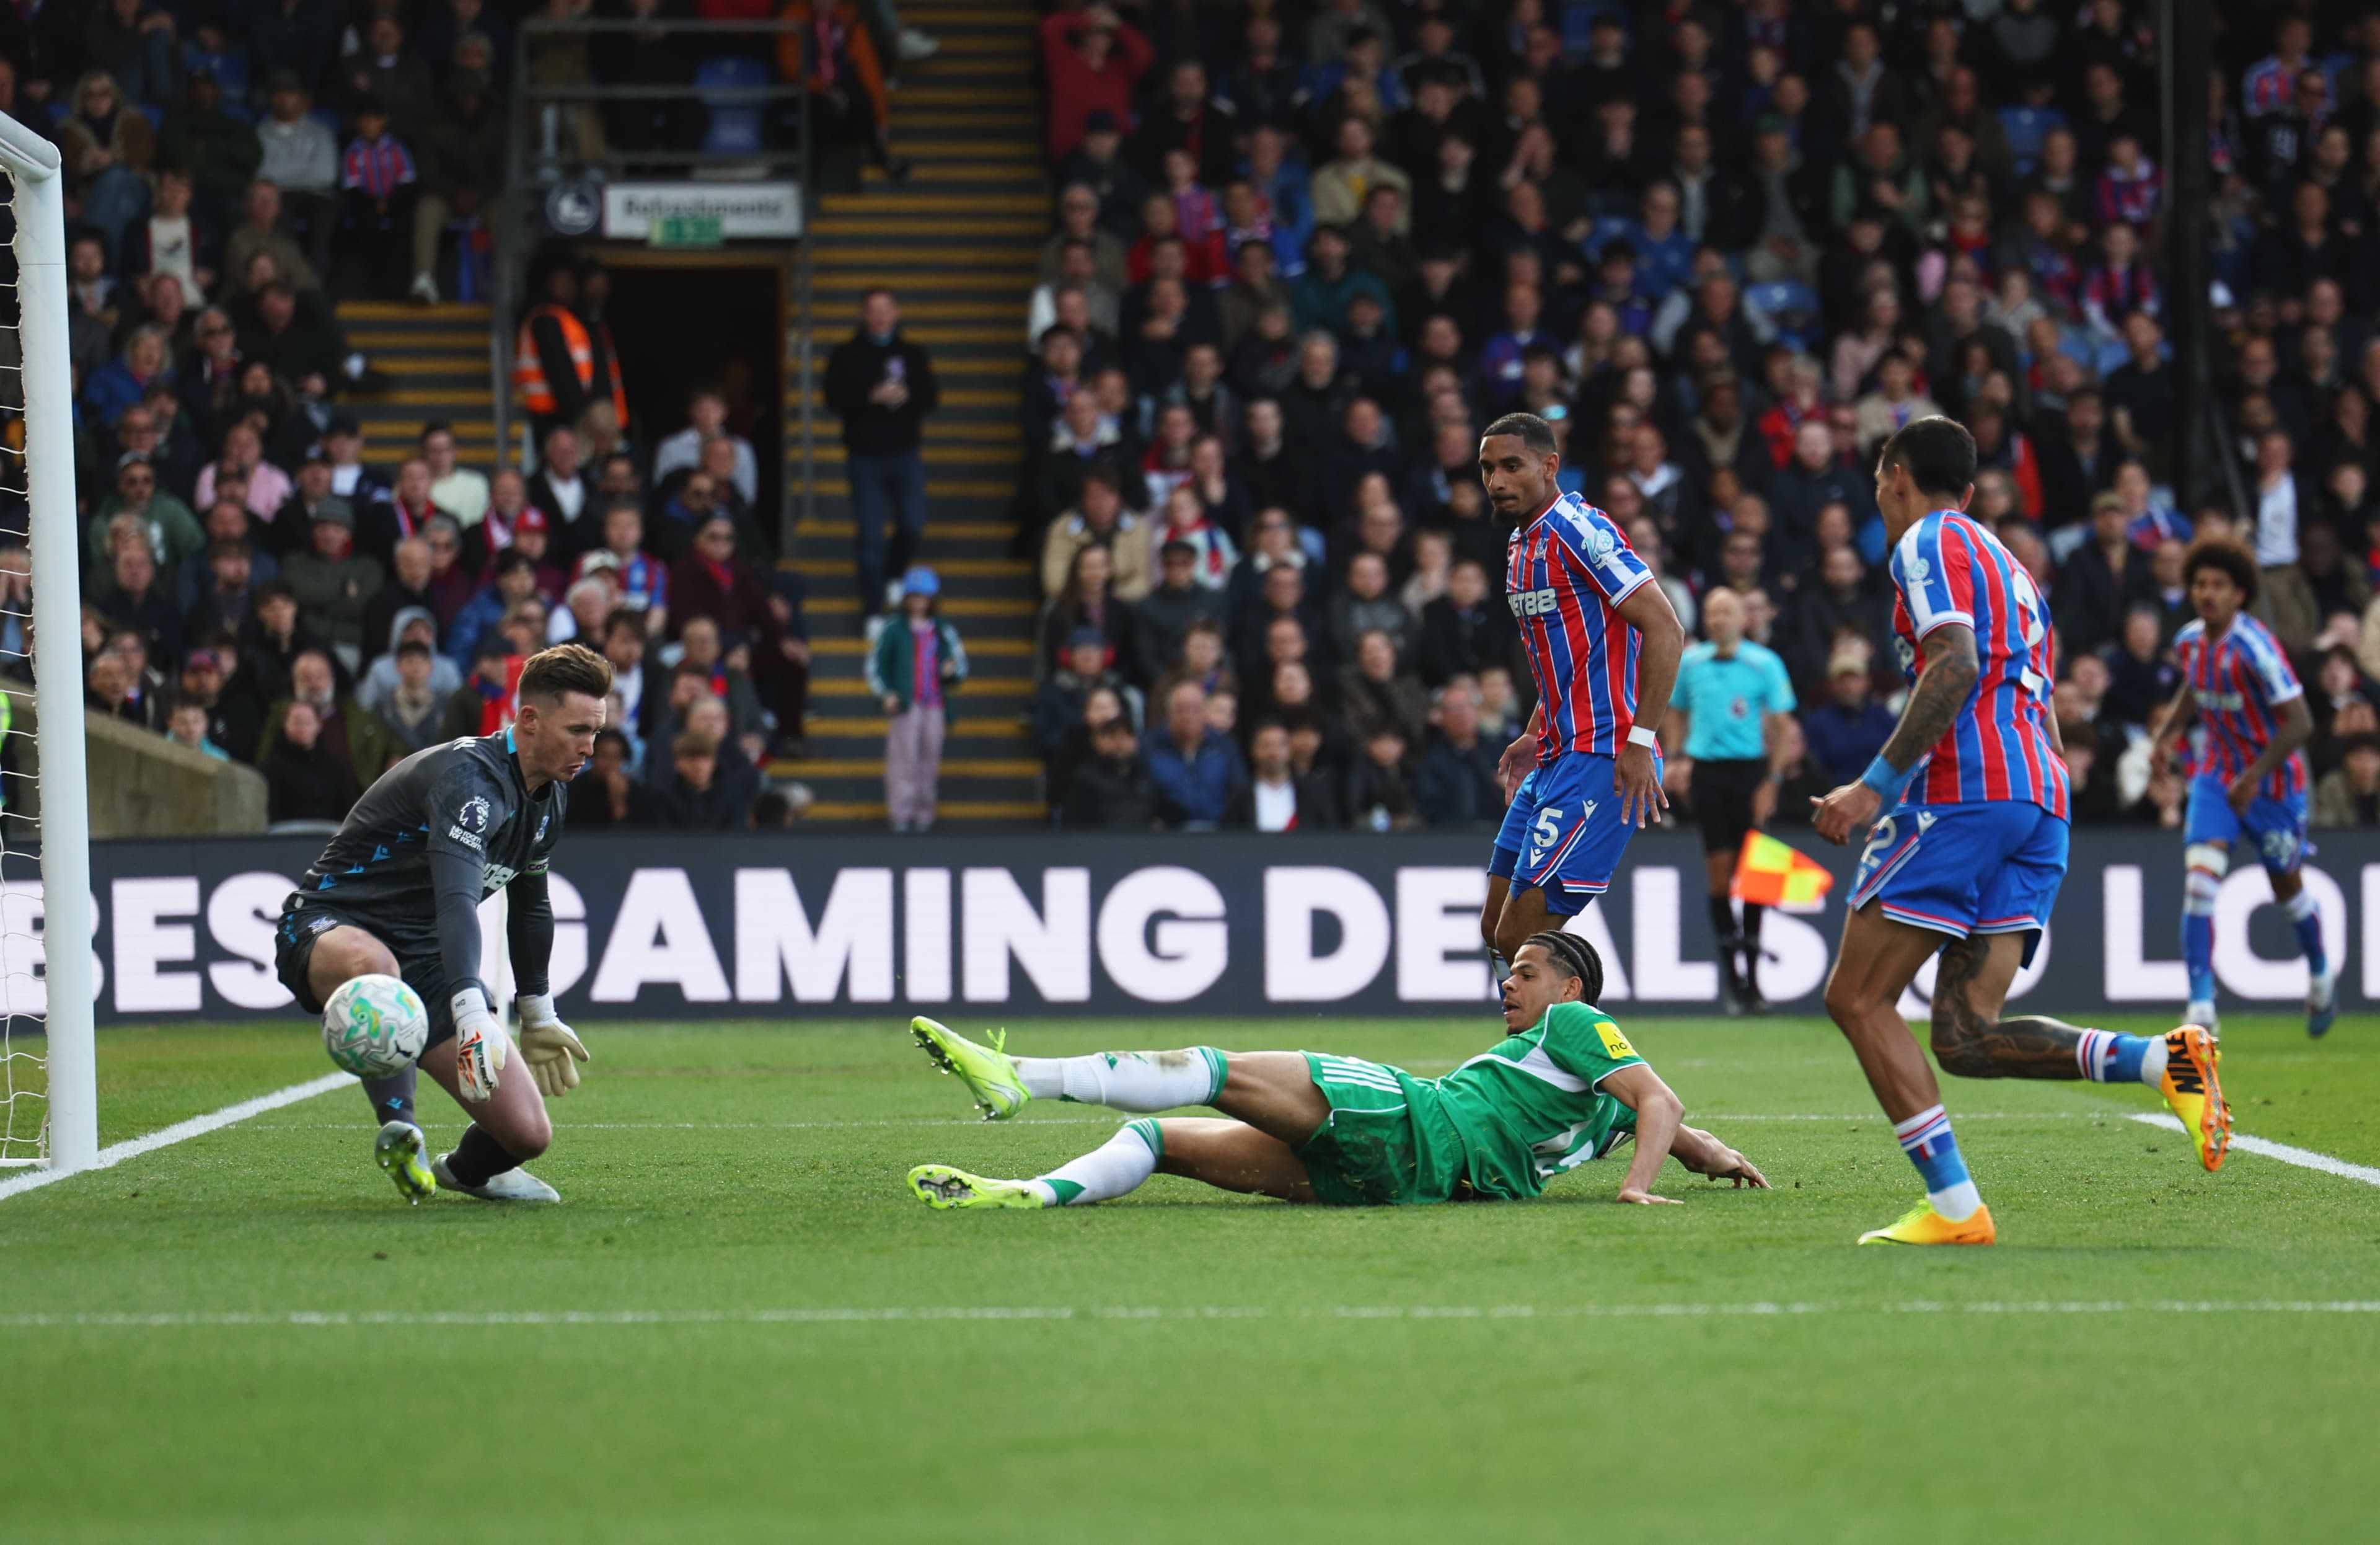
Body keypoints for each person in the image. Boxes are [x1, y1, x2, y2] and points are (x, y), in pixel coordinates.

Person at [1809, 418, 2228, 1248]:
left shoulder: (1924, 541)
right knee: (1965, 1035)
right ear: (1969, 490)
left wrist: (1872, 787)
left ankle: (1958, 1210)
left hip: (1965, 795)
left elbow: (1956, 663)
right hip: (2040, 797)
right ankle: (2164, 1061)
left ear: (1895, 477)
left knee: (1857, 998)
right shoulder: (2015, 567)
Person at [901, 932, 1765, 1211]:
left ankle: (1022, 1077)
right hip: (1405, 1187)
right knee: (1158, 1140)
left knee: (1214, 1067)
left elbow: (1662, 1100)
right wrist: (1709, 1157)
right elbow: (1678, 1126)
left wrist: (1637, 1187)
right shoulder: (1601, 1105)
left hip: (1410, 1120)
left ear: (1570, 987)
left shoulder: (1578, 1023)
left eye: (1526, 972)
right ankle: (1029, 1194)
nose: (1509, 980)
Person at [271, 644, 609, 1205]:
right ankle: (400, 1131)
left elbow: (532, 906)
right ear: (529, 719)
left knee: (527, 1134)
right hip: (331, 926)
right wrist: (472, 1009)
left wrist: (538, 1012)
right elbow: (456, 901)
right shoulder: (467, 781)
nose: (589, 748)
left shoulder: (549, 797)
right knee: (379, 971)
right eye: (577, 730)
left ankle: (466, 1171)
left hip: (426, 961)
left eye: (595, 732)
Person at [1477, 412, 1686, 962]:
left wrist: (1640, 740)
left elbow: (1666, 629)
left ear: (1550, 467)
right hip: (1554, 754)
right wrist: (1533, 732)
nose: (1496, 481)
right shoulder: (1521, 547)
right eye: (1488, 468)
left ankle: (1583, 1048)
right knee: (1498, 932)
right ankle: (1559, 1042)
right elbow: (1565, 662)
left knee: (1525, 940)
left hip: (1604, 754)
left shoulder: (1581, 530)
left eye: (1511, 466)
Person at [2145, 539, 2329, 1038]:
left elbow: (2301, 722)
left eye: (2219, 585)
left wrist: (2255, 775)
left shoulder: (2256, 647)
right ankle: (2201, 1007)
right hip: (2216, 777)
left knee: (2287, 891)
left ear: (2240, 594)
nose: (2207, 593)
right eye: (2200, 583)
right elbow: (2193, 689)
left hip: (2271, 784)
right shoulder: (2188, 642)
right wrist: (2165, 737)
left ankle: (2318, 973)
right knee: (2200, 886)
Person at [1667, 587, 1797, 1012]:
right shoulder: (1690, 663)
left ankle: (1756, 980)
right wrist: (1678, 757)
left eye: (1726, 613)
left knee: (1757, 876)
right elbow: (1677, 712)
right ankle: (1735, 980)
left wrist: (1772, 781)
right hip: (1708, 774)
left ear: (1743, 619)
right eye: (1712, 613)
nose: (1718, 620)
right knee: (1720, 876)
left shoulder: (1764, 663)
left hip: (1750, 773)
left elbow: (1782, 727)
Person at [824, 288, 940, 631]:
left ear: (896, 313)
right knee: (870, 537)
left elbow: (931, 396)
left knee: (913, 523)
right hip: (864, 458)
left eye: (885, 310)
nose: (879, 317)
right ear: (863, 314)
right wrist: (868, 397)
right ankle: (873, 611)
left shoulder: (912, 353)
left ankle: (894, 573)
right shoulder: (846, 354)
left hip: (905, 453)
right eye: (872, 311)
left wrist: (908, 396)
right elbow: (832, 397)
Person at [866, 565, 966, 833]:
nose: (919, 602)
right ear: (906, 599)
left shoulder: (942, 629)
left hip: (934, 704)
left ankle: (924, 814)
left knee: (929, 759)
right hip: (906, 705)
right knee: (902, 759)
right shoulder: (894, 628)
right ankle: (901, 813)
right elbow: (876, 664)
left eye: (924, 597)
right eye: (914, 596)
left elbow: (960, 662)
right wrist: (886, 693)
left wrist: (951, 670)